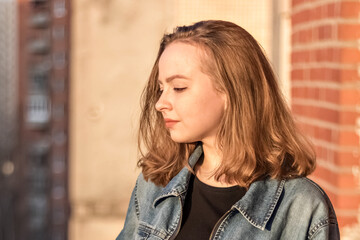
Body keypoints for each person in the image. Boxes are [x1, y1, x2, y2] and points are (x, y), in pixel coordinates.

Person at [116, 20, 340, 240]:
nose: (160, 103)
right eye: (161, 88)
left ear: (231, 91)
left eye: (179, 87)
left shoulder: (300, 206)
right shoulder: (154, 186)